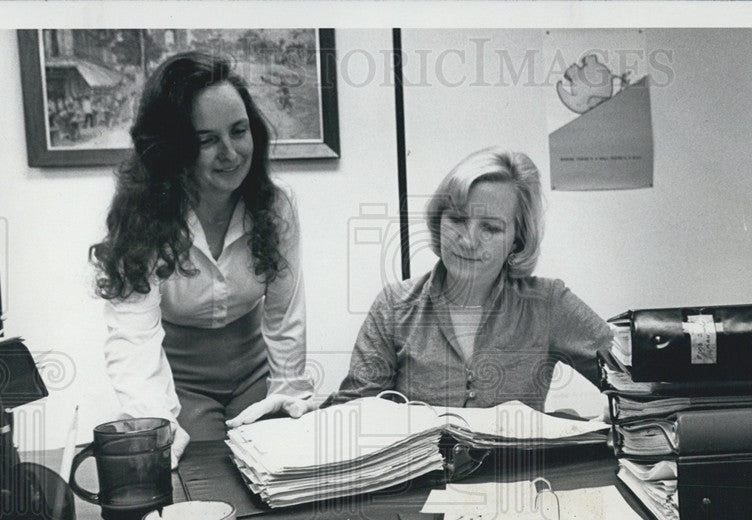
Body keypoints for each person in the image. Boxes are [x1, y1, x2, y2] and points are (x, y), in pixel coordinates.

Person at [91, 52, 312, 466]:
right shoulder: (143, 216)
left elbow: (285, 315)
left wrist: (287, 393)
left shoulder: (276, 206)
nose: (230, 152)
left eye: (239, 131)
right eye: (207, 140)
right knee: (206, 477)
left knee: (277, 469)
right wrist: (157, 425)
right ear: (174, 148)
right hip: (180, 385)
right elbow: (133, 336)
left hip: (256, 374)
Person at [328, 147, 613, 411]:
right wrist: (302, 413)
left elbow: (636, 382)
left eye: (490, 228)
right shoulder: (394, 305)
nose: (468, 240)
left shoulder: (547, 302)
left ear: (518, 240)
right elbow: (355, 409)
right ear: (439, 221)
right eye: (458, 220)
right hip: (425, 467)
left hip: (521, 466)